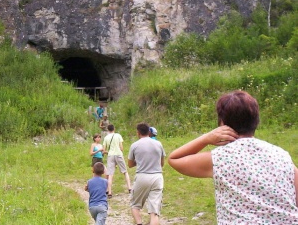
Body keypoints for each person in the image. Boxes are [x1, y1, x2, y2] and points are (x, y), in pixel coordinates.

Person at [168, 90, 298, 224]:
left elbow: (174, 159)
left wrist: (206, 138)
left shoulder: (220, 158)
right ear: (256, 121)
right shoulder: (282, 155)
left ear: (222, 123)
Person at [128, 122, 166, 225]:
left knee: (135, 205)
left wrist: (140, 160)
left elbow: (130, 164)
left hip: (142, 176)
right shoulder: (158, 144)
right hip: (157, 177)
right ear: (149, 132)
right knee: (154, 211)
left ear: (138, 132)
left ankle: (139, 223)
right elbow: (161, 163)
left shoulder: (135, 145)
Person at [103, 124, 131, 198]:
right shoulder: (118, 135)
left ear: (107, 130)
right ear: (114, 129)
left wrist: (108, 152)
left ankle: (109, 192)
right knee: (125, 171)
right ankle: (129, 188)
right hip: (118, 154)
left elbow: (104, 150)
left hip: (110, 155)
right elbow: (121, 147)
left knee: (110, 174)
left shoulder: (106, 138)